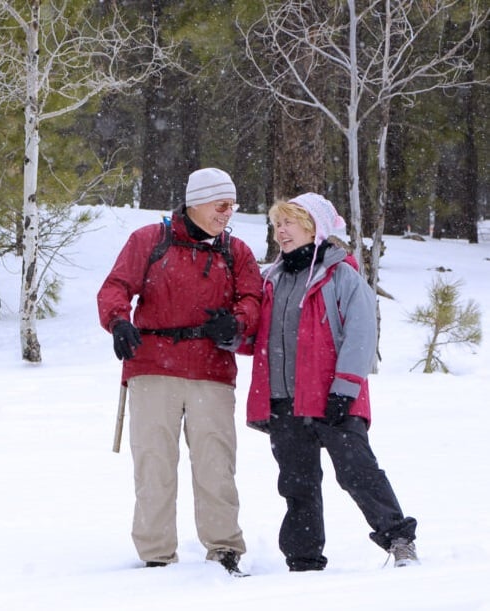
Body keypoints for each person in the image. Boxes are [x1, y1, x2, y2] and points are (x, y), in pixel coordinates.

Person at [97, 167, 263, 576]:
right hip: (153, 366)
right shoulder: (149, 240)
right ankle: (156, 552)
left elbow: (253, 297)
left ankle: (224, 547)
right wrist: (118, 322)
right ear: (196, 202)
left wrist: (238, 321)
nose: (228, 213)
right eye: (221, 205)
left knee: (216, 463)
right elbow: (115, 286)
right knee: (154, 462)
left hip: (212, 370)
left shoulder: (235, 251)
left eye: (233, 206)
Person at [245, 193, 419, 572]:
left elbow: (361, 333)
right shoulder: (270, 279)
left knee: (358, 473)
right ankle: (303, 560)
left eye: (289, 223)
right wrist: (228, 331)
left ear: (314, 228)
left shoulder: (342, 276)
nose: (281, 231)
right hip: (284, 400)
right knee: (296, 484)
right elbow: (255, 337)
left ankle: (400, 540)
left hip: (332, 398)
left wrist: (345, 388)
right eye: (277, 224)